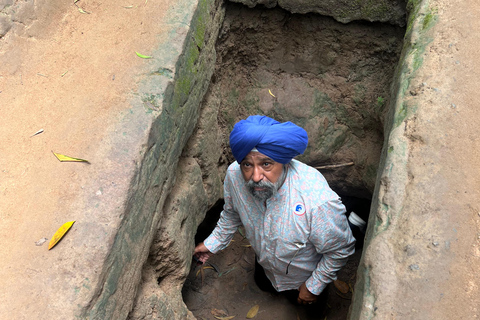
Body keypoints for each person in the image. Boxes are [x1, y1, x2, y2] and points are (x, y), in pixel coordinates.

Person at [193, 115, 355, 307]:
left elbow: (339, 250)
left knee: (309, 306)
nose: (255, 176)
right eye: (247, 164)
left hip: (304, 276)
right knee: (263, 283)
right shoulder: (234, 176)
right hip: (266, 264)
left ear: (285, 161)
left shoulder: (316, 202)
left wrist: (313, 286)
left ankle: (356, 221)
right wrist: (213, 243)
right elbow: (231, 212)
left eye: (266, 164)